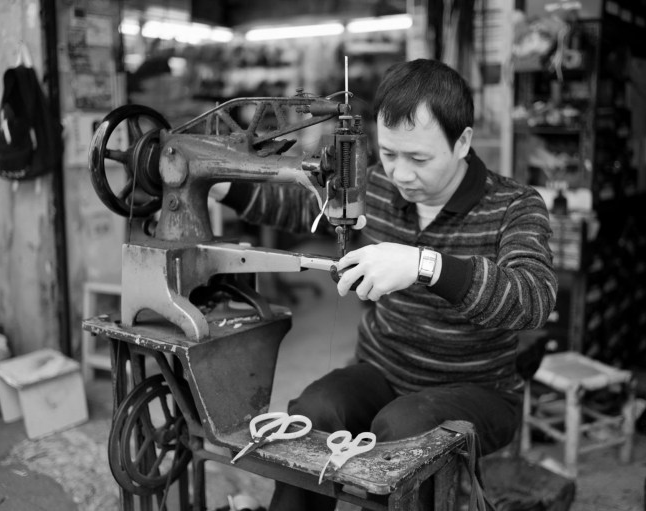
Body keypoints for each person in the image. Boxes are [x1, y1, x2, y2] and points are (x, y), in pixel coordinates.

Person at [216, 58, 558, 511]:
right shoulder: (377, 185)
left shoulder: (514, 206)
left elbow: (532, 298)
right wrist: (219, 185)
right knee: (312, 412)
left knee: (399, 431)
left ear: (463, 143)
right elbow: (306, 208)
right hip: (384, 370)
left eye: (418, 158)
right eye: (390, 153)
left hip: (480, 390)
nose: (399, 174)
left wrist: (426, 264)